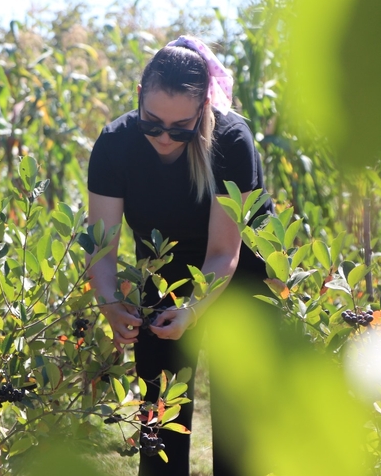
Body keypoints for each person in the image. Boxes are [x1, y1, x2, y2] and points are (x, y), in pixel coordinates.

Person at [86, 35, 274, 476]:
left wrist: (194, 310)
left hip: (240, 271)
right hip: (164, 266)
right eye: (152, 123)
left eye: (180, 128)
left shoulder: (231, 140)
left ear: (204, 109)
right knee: (161, 426)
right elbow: (102, 246)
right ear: (138, 98)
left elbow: (225, 251)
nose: (164, 137)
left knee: (238, 435)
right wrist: (110, 303)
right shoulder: (115, 144)